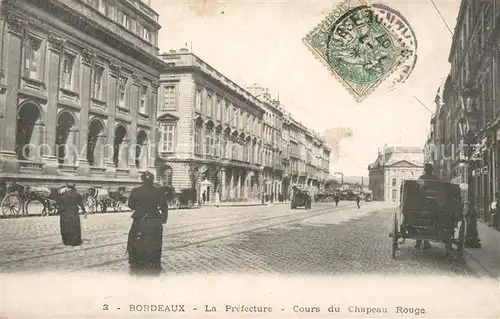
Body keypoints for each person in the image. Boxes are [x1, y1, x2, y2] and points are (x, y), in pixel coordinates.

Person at [127, 171, 168, 275]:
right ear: (152, 180)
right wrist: (163, 219)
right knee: (155, 242)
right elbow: (164, 206)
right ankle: (154, 263)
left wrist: (140, 208)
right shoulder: (158, 191)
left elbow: (131, 205)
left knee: (135, 240)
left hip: (140, 219)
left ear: (142, 179)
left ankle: (137, 262)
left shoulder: (135, 190)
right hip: (154, 219)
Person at [415, 163, 440, 250]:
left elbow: (418, 190)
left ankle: (419, 240)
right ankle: (426, 241)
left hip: (422, 204)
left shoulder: (422, 178)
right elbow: (439, 190)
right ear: (432, 170)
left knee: (417, 220)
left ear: (425, 170)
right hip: (434, 205)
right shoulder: (436, 179)